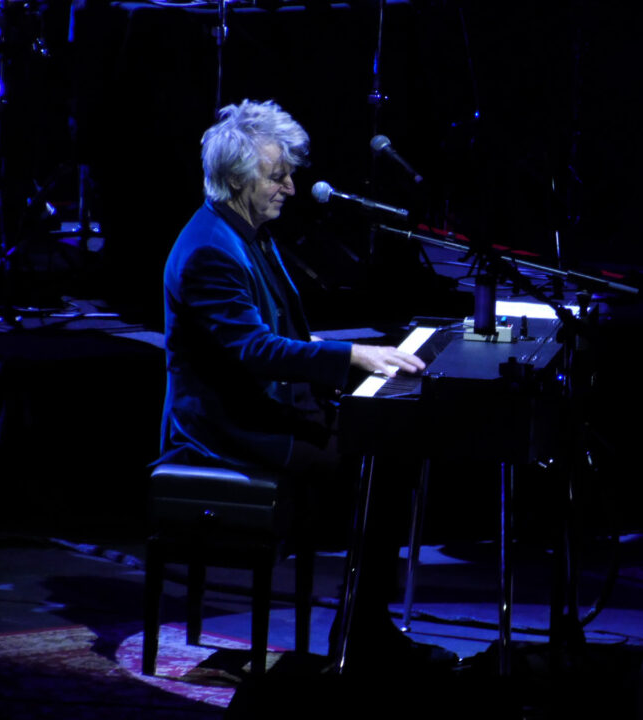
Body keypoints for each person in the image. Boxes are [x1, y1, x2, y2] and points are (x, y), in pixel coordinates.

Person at [158, 99, 439, 669]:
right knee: (376, 466)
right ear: (237, 177)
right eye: (277, 175)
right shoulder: (211, 250)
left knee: (388, 451)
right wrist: (353, 356)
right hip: (227, 426)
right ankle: (361, 638)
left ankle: (364, 628)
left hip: (259, 408)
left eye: (290, 173)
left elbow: (281, 332)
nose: (290, 186)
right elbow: (254, 351)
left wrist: (356, 354)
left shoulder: (245, 231)